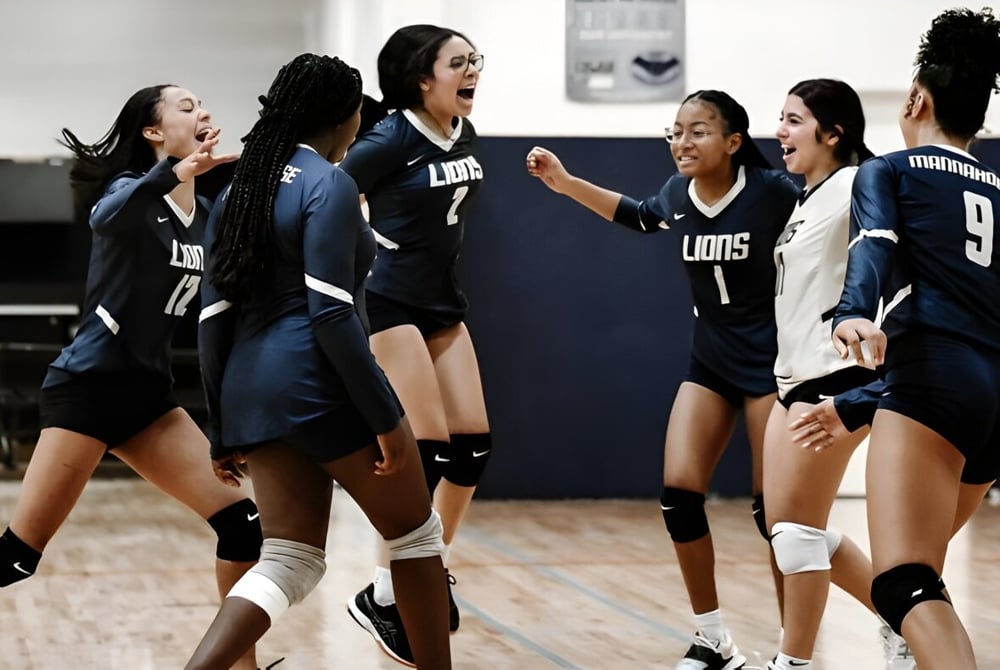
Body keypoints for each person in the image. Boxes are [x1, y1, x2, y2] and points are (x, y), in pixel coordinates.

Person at [185, 53, 451, 670]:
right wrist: (388, 419)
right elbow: (331, 315)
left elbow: (212, 318)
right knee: (415, 536)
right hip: (318, 379)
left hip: (251, 387)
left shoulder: (238, 190)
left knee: (289, 559)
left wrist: (222, 424)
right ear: (345, 117)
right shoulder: (328, 183)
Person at [527, 90, 799, 670]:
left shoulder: (777, 193)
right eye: (675, 131)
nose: (682, 142)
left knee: (777, 516)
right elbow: (637, 214)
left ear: (732, 142)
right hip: (712, 362)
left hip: (772, 367)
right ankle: (713, 639)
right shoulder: (679, 194)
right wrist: (566, 182)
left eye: (697, 131)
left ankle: (792, 651)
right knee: (678, 497)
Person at [0, 86, 263, 669]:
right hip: (88, 390)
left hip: (149, 396)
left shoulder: (206, 215)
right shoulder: (129, 193)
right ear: (153, 132)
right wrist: (174, 172)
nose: (205, 113)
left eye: (204, 106)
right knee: (16, 559)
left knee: (242, 524)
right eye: (188, 107)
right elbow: (104, 215)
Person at [829, 7, 1000, 668]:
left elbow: (874, 243)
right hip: (992, 401)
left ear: (915, 100)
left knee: (903, 582)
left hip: (932, 380)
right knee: (921, 579)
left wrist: (852, 312)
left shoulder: (892, 171)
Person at [337, 24, 489, 662]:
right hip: (390, 300)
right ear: (421, 76)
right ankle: (387, 585)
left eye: (475, 60)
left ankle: (429, 566)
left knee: (474, 449)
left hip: (442, 303)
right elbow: (328, 195)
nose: (473, 70)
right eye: (459, 62)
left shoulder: (462, 130)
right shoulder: (388, 138)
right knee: (426, 447)